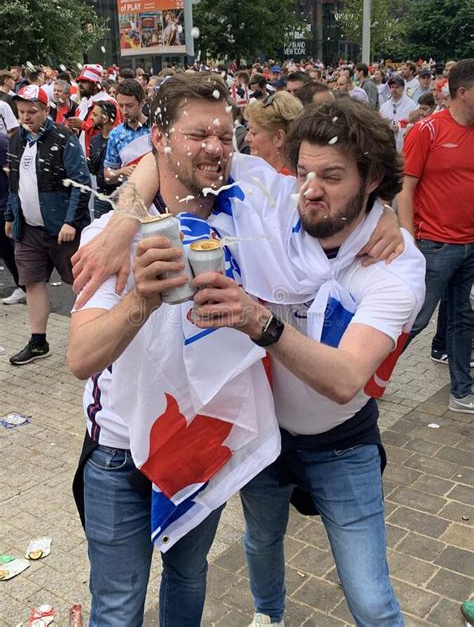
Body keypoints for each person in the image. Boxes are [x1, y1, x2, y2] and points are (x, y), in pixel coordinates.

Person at [72, 94, 423, 627]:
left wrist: (258, 319)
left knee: (370, 597)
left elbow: (347, 379)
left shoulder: (393, 263)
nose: (310, 189)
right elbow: (177, 152)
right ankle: (269, 616)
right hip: (253, 430)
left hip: (339, 442)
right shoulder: (268, 205)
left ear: (371, 180)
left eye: (332, 176)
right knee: (255, 543)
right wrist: (125, 220)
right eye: (304, 172)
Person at [67, 72, 279, 627]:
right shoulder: (111, 235)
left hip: (201, 439)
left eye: (224, 135)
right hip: (118, 454)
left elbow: (335, 182)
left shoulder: (249, 219)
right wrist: (140, 298)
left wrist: (383, 219)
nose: (215, 147)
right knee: (117, 607)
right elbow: (80, 358)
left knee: (189, 578)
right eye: (198, 135)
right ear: (160, 137)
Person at [398, 58, 474, 414]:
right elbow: (405, 189)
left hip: (470, 246)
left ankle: (462, 392)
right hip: (434, 245)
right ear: (463, 92)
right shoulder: (426, 130)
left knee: (463, 319)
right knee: (416, 320)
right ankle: (365, 376)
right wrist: (409, 239)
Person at [4, 85, 91, 364]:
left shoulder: (64, 137)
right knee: (32, 282)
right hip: (28, 228)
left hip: (62, 228)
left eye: (32, 112)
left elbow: (81, 182)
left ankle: (90, 337)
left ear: (45, 110)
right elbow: (14, 183)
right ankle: (38, 341)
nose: (26, 117)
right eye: (21, 112)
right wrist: (10, 215)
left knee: (80, 283)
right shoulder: (16, 138)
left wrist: (71, 222)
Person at [103, 79, 151, 187]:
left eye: (130, 106)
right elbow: (107, 176)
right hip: (131, 196)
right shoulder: (115, 135)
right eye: (120, 105)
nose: (124, 111)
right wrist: (121, 171)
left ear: (142, 103)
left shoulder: (156, 129)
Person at [68, 64, 121, 157]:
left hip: (100, 158)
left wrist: (83, 125)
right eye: (79, 81)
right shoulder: (84, 103)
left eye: (84, 81)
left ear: (96, 85)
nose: (80, 84)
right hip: (82, 158)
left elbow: (114, 131)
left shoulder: (109, 102)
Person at [244, 91, 303, 173]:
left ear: (279, 138)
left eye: (254, 133)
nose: (247, 138)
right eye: (248, 130)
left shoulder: (287, 183)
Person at [0, 130, 26, 304]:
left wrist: (11, 207)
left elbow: (12, 176)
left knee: (7, 248)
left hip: (3, 204)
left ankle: (24, 286)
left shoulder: (1, 142)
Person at [88, 101, 118, 218]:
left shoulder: (119, 138)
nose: (91, 118)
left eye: (95, 115)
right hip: (101, 197)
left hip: (119, 197)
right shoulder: (94, 141)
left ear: (105, 118)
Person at [380, 76, 417, 152]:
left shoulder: (411, 105)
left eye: (397, 87)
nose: (394, 90)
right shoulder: (384, 107)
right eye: (392, 87)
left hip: (405, 146)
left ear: (403, 88)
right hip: (388, 146)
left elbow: (414, 125)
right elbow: (380, 125)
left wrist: (400, 127)